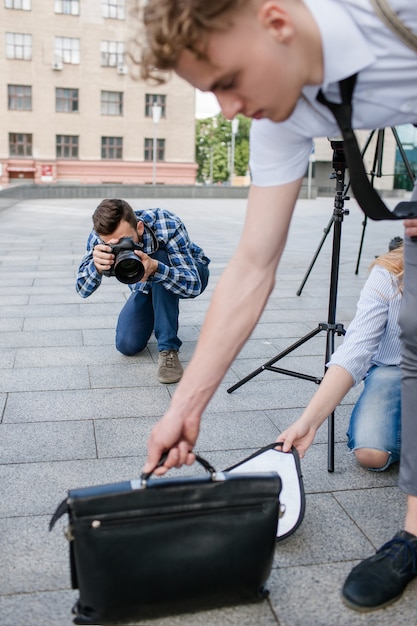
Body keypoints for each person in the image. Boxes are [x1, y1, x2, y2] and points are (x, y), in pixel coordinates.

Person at [137, 0, 417, 612]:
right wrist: (186, 407)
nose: (231, 110)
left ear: (277, 22)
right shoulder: (281, 114)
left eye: (229, 83)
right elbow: (252, 266)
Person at [277, 240, 404, 472]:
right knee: (371, 453)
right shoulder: (391, 271)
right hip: (395, 367)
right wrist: (310, 421)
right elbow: (355, 348)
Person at [76, 198, 210, 384]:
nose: (120, 248)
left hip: (190, 271)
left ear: (139, 228)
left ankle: (168, 349)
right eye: (113, 245)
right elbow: (82, 289)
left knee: (160, 257)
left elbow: (193, 286)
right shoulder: (99, 237)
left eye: (125, 241)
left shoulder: (166, 223)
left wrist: (156, 269)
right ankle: (159, 310)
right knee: (127, 345)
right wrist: (96, 267)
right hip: (144, 284)